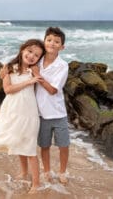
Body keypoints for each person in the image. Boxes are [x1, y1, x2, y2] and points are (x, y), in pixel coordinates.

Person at [0, 39, 45, 194]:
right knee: (19, 142)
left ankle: (36, 183)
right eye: (30, 51)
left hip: (29, 113)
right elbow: (8, 89)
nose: (32, 56)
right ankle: (24, 172)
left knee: (30, 147)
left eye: (37, 55)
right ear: (22, 50)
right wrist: (29, 81)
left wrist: (35, 76)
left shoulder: (35, 70)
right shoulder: (9, 68)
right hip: (13, 111)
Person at [31, 27, 69, 184]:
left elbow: (53, 90)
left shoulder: (62, 65)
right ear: (44, 41)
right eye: (49, 40)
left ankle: (62, 172)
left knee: (63, 145)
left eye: (57, 41)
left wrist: (37, 75)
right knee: (44, 145)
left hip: (58, 113)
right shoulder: (37, 60)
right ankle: (47, 171)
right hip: (40, 113)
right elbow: (21, 62)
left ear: (62, 47)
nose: (52, 43)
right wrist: (5, 69)